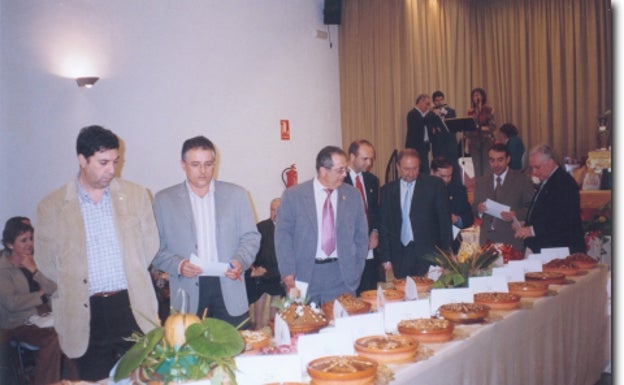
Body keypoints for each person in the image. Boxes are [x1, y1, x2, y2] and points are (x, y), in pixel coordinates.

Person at [35, 125, 160, 381]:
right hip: (83, 312)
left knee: (145, 378)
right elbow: (46, 264)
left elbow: (150, 246)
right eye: (103, 162)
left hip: (131, 305)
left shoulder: (137, 196)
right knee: (94, 379)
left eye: (115, 161)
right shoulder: (52, 206)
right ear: (82, 160)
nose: (112, 170)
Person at [152, 136, 260, 327]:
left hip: (229, 286)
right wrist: (178, 265)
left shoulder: (237, 195)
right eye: (195, 164)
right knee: (190, 354)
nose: (203, 171)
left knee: (235, 351)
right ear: (182, 164)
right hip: (187, 288)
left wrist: (240, 260)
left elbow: (251, 237)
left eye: (208, 164)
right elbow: (154, 248)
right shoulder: (164, 200)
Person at [275, 146, 369, 305]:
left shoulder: (353, 195)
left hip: (342, 275)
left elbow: (361, 235)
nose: (345, 174)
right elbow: (283, 237)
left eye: (345, 169)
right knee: (305, 325)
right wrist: (287, 272)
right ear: (323, 170)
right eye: (340, 170)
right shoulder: (294, 196)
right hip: (304, 275)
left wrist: (356, 268)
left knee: (342, 326)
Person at [0, 218, 66, 385]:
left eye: (31, 238)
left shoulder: (36, 260)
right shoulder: (3, 269)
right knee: (53, 340)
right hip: (20, 322)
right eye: (24, 240)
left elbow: (55, 288)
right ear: (10, 245)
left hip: (46, 315)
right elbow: (11, 303)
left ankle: (72, 381)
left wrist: (34, 270)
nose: (30, 244)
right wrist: (40, 295)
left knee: (72, 335)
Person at [379, 149, 452, 278]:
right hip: (400, 254)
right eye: (406, 169)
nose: (411, 173)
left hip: (429, 254)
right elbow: (385, 226)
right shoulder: (387, 191)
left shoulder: (434, 185)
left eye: (415, 168)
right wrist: (386, 258)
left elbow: (444, 223)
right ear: (398, 167)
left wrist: (446, 255)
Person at [514, 144, 586, 253]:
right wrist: (527, 223)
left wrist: (532, 230)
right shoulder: (549, 180)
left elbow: (563, 219)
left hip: (560, 250)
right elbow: (547, 213)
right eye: (532, 167)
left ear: (550, 162)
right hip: (548, 248)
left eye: (537, 167)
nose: (534, 172)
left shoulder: (564, 183)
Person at [472, 143, 534, 251]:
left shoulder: (523, 180)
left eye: (500, 160)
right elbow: (474, 208)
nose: (496, 164)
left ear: (508, 159)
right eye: (492, 160)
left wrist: (516, 214)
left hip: (512, 241)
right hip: (486, 241)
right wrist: (478, 209)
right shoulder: (480, 182)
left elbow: (531, 209)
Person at [344, 140, 381, 294]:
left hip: (369, 247)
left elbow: (376, 211)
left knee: (369, 290)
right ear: (352, 157)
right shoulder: (340, 180)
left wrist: (375, 231)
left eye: (371, 159)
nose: (369, 163)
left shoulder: (372, 180)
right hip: (349, 247)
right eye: (365, 159)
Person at [244, 198, 285, 330]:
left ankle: (274, 327)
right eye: (272, 210)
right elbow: (249, 251)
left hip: (281, 273)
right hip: (263, 272)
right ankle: (258, 327)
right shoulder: (261, 227)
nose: (275, 213)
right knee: (258, 283)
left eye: (279, 210)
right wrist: (252, 269)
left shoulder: (289, 228)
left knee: (281, 285)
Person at [430, 157, 473, 230]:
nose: (446, 180)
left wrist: (457, 219)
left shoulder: (458, 190)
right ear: (432, 172)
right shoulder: (421, 190)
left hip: (452, 236)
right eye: (442, 176)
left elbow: (469, 217)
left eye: (449, 176)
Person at [429, 91, 461, 183]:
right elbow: (431, 130)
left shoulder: (451, 111)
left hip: (450, 145)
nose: (439, 102)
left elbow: (453, 127)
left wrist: (442, 114)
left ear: (444, 100)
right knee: (439, 168)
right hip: (438, 145)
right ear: (434, 102)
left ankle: (455, 188)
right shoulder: (431, 114)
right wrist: (434, 115)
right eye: (436, 100)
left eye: (441, 99)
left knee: (453, 167)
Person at [466, 87, 496, 178]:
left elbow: (493, 126)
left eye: (478, 95)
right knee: (477, 165)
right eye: (474, 96)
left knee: (486, 165)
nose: (476, 97)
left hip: (486, 140)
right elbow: (468, 129)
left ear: (482, 96)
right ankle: (479, 187)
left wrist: (482, 128)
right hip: (474, 141)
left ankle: (487, 187)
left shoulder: (489, 109)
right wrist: (466, 144)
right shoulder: (470, 111)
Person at [406, 94, 437, 174]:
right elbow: (420, 124)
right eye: (427, 104)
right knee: (417, 170)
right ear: (420, 102)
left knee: (425, 170)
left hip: (424, 146)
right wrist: (431, 113)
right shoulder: (412, 114)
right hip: (415, 147)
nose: (428, 107)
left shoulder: (424, 115)